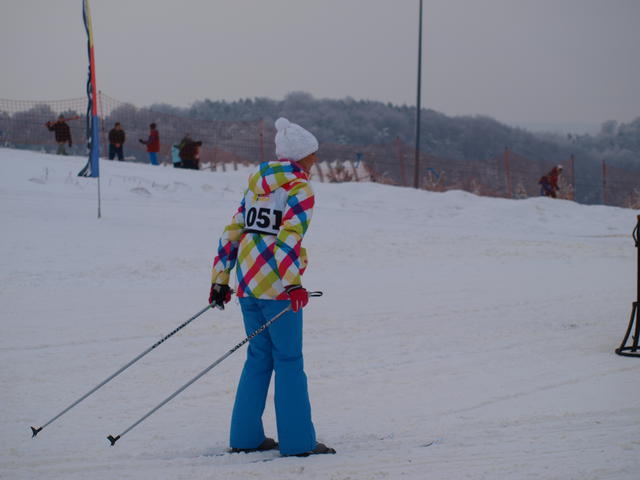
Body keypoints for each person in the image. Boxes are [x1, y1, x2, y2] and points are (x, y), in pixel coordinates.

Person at [209, 117, 335, 457]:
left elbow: (232, 233)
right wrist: (293, 285)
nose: (316, 160)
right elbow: (288, 239)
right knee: (289, 360)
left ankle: (245, 437)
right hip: (277, 287)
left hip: (247, 284)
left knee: (258, 358)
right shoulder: (300, 188)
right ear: (302, 156)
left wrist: (220, 280)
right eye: (313, 154)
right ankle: (298, 443)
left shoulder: (256, 186)